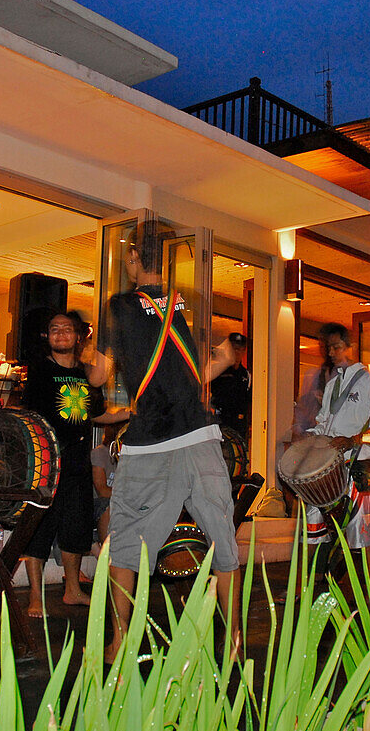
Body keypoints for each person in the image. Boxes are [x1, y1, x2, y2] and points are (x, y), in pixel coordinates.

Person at [103, 219, 242, 663]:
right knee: (222, 536)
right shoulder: (189, 304)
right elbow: (208, 366)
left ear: (131, 259)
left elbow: (99, 374)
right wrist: (225, 354)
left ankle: (120, 640)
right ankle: (235, 641)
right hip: (200, 433)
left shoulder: (119, 305)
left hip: (150, 442)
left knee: (125, 537)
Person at [22, 311, 128, 615]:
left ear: (77, 336)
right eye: (54, 329)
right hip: (47, 461)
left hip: (79, 460)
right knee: (39, 527)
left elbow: (94, 414)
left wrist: (130, 414)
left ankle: (72, 590)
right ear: (48, 337)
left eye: (66, 330)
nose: (60, 334)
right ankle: (34, 596)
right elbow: (29, 413)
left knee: (76, 526)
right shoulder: (41, 370)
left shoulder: (84, 372)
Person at [303, 322, 370, 579]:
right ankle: (313, 587)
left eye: (336, 347)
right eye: (328, 348)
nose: (331, 353)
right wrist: (309, 439)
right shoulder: (332, 385)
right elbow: (323, 424)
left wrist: (353, 440)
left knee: (360, 536)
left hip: (359, 469)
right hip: (330, 467)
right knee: (314, 530)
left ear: (350, 347)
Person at [210, 332, 251, 440]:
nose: (237, 352)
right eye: (234, 348)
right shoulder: (218, 371)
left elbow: (247, 400)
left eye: (240, 349)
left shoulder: (246, 375)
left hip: (239, 424)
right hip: (220, 421)